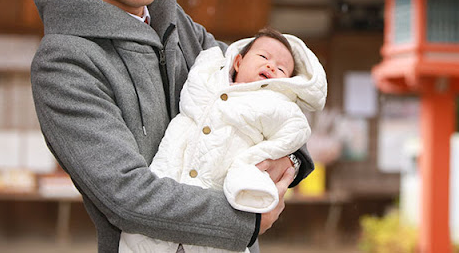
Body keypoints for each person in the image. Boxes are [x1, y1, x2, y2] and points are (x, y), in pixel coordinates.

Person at [30, 0, 314, 253]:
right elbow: (125, 195)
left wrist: (292, 158)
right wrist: (244, 222)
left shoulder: (176, 25)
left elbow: (262, 90)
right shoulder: (65, 60)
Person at [119, 28, 327, 252]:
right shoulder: (208, 77)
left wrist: (253, 163)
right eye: (264, 57)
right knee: (143, 239)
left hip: (221, 198)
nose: (270, 66)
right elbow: (198, 77)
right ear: (237, 62)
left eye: (281, 68)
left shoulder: (277, 104)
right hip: (171, 173)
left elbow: (294, 132)